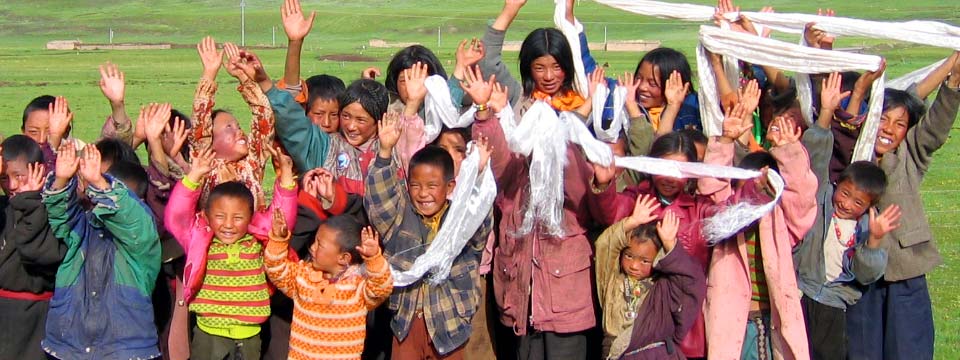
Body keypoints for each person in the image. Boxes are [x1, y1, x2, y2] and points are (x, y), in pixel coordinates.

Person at [473, 2, 618, 357]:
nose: (549, 75)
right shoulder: (520, 104)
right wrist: (508, 11)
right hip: (521, 259)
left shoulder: (589, 106)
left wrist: (579, 119)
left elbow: (594, 196)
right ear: (528, 69)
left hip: (564, 261)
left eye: (556, 67)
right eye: (540, 67)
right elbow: (488, 62)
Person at [846, 52, 960, 360]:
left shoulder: (911, 154)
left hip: (905, 273)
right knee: (861, 352)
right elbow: (906, 98)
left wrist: (953, 77)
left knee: (909, 351)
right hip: (860, 277)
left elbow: (934, 124)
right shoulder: (852, 153)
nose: (889, 128)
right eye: (882, 119)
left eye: (899, 124)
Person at [364, 113, 495, 359]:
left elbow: (481, 214)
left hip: (451, 325)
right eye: (416, 186)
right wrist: (384, 152)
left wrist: (478, 174)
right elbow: (379, 200)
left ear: (450, 187)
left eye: (432, 186)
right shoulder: (400, 218)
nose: (423, 194)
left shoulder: (462, 222)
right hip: (406, 324)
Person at [700, 104, 817, 359]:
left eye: (767, 185)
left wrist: (788, 151)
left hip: (774, 317)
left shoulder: (782, 222)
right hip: (734, 323)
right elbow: (711, 190)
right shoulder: (726, 221)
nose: (758, 191)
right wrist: (725, 141)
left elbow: (802, 199)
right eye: (751, 187)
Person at [164, 145, 298, 360]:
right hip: (208, 334)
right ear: (206, 215)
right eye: (219, 216)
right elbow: (175, 217)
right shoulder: (199, 238)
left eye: (238, 218)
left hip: (249, 336)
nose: (228, 225)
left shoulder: (257, 239)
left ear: (251, 217)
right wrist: (194, 175)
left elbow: (284, 216)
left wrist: (286, 178)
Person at [41, 141, 161, 359]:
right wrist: (61, 180)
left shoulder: (142, 238)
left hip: (126, 349)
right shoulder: (83, 226)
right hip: (68, 345)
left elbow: (130, 217)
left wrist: (99, 182)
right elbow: (60, 215)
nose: (102, 200)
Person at [264, 209, 393, 360]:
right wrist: (278, 241)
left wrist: (374, 259)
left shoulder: (357, 288)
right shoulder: (304, 277)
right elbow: (276, 269)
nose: (312, 247)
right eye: (315, 241)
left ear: (344, 258)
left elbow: (382, 288)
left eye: (320, 244)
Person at [595, 195, 705, 359]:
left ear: (658, 258)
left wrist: (669, 244)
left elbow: (691, 282)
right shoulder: (612, 277)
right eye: (629, 256)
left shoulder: (663, 286)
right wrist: (632, 222)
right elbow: (605, 245)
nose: (634, 266)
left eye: (645, 261)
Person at [189, 37, 276, 211]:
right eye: (229, 127)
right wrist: (209, 73)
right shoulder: (205, 168)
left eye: (238, 126)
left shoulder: (252, 163)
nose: (239, 132)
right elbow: (199, 124)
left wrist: (243, 77)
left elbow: (264, 115)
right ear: (210, 143)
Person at [0, 135, 64, 360]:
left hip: (37, 317)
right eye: (4, 178)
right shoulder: (3, 209)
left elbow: (37, 254)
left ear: (39, 172)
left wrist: (30, 203)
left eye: (19, 176)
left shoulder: (51, 210)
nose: (13, 185)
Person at [276, 0, 345, 134]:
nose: (326, 123)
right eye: (319, 114)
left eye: (334, 115)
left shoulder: (346, 145)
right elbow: (292, 92)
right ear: (304, 111)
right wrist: (295, 42)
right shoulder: (300, 142)